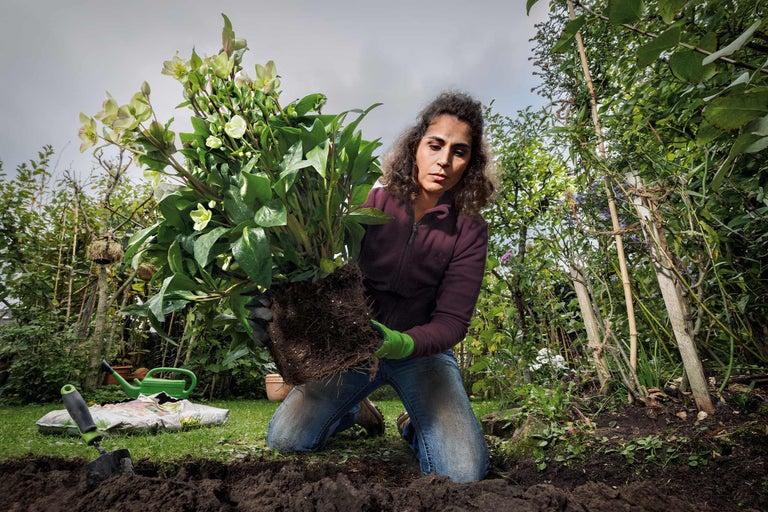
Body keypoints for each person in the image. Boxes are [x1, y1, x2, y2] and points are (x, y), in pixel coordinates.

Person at [265, 91, 497, 483]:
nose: (444, 160)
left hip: (422, 353)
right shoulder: (372, 202)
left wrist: (403, 343)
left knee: (463, 471)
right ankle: (355, 410)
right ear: (415, 146)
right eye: (435, 145)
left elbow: (453, 321)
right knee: (286, 439)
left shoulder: (469, 230)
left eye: (459, 151)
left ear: (470, 163)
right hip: (356, 347)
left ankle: (412, 423)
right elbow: (323, 268)